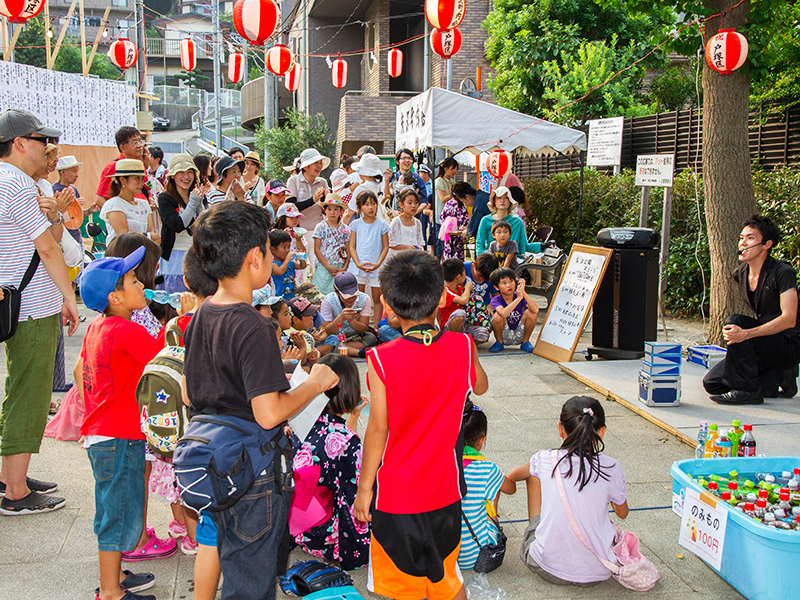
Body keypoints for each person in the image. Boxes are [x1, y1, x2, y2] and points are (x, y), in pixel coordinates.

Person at [183, 200, 339, 600]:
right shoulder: (253, 324)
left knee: (234, 565)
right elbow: (268, 414)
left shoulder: (203, 314)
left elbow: (194, 392)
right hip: (254, 474)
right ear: (255, 258)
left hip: (217, 464)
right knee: (250, 582)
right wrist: (314, 383)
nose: (272, 257)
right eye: (269, 251)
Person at [354, 250, 489, 600]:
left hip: (397, 495)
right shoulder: (462, 346)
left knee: (401, 586)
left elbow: (377, 430)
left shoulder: (380, 359)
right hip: (446, 491)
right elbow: (482, 385)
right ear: (443, 297)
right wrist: (461, 344)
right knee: (446, 577)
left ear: (387, 306)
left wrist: (365, 489)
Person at [0, 109, 78, 515]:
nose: (47, 148)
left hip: (17, 303)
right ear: (19, 143)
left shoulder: (9, 181)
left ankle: (11, 474)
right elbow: (47, 247)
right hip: (32, 307)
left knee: (19, 390)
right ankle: (16, 493)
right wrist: (69, 296)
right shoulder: (16, 186)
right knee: (29, 397)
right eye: (40, 139)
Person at [74, 247, 160, 600]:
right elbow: (166, 357)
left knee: (112, 506)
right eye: (134, 281)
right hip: (119, 436)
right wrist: (188, 317)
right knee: (117, 512)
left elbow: (80, 371)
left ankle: (117, 574)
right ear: (116, 297)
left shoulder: (98, 326)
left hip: (101, 433)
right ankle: (110, 591)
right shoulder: (126, 330)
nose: (141, 285)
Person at [510, 396, 629, 586]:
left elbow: (513, 476)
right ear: (602, 431)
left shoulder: (546, 459)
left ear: (560, 429)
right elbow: (622, 514)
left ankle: (537, 532)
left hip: (546, 566)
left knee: (533, 476)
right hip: (598, 572)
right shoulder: (612, 466)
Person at [703, 215, 800, 404]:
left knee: (735, 322)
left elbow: (789, 319)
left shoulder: (783, 272)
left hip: (789, 344)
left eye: (750, 238)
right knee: (713, 383)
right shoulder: (740, 273)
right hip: (765, 344)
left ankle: (749, 391)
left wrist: (746, 334)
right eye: (741, 238)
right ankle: (778, 377)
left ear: (767, 244)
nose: (743, 243)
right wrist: (748, 336)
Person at [290, 353, 370, 570]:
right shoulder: (347, 440)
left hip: (298, 529)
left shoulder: (298, 422)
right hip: (325, 537)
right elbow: (352, 495)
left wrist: (352, 419)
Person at [458, 400, 516, 571]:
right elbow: (511, 489)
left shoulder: (438, 463)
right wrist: (501, 476)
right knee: (494, 487)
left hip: (442, 554)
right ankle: (493, 520)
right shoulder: (486, 468)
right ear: (481, 440)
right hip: (473, 555)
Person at [157, 154, 207, 293]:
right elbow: (177, 225)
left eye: (189, 172)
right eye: (181, 172)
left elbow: (205, 222)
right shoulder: (165, 198)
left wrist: (198, 202)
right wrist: (193, 202)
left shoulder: (196, 194)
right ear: (172, 175)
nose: (186, 177)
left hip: (196, 252)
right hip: (174, 255)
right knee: (176, 298)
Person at [347, 190, 390, 326]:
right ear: (359, 207)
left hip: (376, 266)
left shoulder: (382, 224)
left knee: (377, 298)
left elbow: (385, 247)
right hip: (357, 266)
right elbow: (352, 246)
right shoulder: (355, 224)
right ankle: (359, 326)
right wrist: (358, 263)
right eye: (366, 204)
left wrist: (377, 264)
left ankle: (376, 327)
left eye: (373, 204)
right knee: (356, 297)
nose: (371, 207)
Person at [99, 160, 160, 245]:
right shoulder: (114, 204)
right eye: (136, 178)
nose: (141, 183)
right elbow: (124, 236)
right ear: (123, 180)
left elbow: (152, 232)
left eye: (142, 178)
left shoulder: (144, 204)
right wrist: (148, 237)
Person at [318, 272, 378, 357]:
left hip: (354, 336)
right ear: (337, 292)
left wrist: (351, 320)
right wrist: (340, 318)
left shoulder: (364, 298)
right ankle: (357, 351)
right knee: (330, 340)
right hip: (335, 336)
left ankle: (337, 348)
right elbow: (327, 330)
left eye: (354, 295)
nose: (351, 299)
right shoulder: (328, 300)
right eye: (347, 297)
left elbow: (363, 328)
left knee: (371, 338)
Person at [287, 148, 331, 256]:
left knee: (318, 269)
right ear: (306, 166)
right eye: (316, 163)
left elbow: (326, 210)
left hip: (318, 231)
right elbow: (290, 207)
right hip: (298, 232)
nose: (319, 166)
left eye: (320, 163)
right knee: (300, 269)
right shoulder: (294, 180)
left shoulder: (323, 182)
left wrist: (325, 200)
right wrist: (313, 200)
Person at [476, 186, 537, 257]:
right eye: (499, 198)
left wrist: (542, 245)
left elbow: (524, 245)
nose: (502, 201)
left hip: (512, 262)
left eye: (506, 197)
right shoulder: (485, 220)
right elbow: (479, 244)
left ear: (510, 201)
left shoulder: (517, 221)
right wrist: (482, 260)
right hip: (490, 262)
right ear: (494, 201)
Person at [489, 267, 538, 353]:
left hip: (519, 332)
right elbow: (503, 313)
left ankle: (525, 341)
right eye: (504, 283)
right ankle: (499, 342)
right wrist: (518, 298)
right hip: (505, 333)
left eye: (511, 281)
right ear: (496, 287)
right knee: (497, 316)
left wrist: (523, 292)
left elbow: (535, 310)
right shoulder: (496, 299)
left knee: (531, 313)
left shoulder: (519, 296)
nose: (509, 285)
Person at [95, 126, 145, 209]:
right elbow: (100, 199)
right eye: (134, 143)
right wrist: (116, 215)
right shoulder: (114, 166)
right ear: (123, 148)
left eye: (140, 141)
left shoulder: (139, 166)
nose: (140, 146)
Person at [441, 258, 489, 344]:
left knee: (483, 333)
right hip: (448, 327)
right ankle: (450, 341)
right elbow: (463, 300)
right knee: (460, 313)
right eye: (464, 273)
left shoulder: (460, 289)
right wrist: (467, 288)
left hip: (463, 325)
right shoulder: (445, 291)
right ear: (458, 277)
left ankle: (463, 343)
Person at [312, 193, 351, 295]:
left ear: (341, 211)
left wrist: (344, 267)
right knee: (322, 295)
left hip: (340, 265)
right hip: (323, 265)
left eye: (336, 209)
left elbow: (348, 249)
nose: (332, 212)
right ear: (325, 210)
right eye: (329, 209)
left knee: (339, 295)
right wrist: (327, 266)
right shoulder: (320, 227)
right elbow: (316, 250)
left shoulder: (345, 229)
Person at [53, 155, 89, 247]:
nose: (77, 174)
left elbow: (78, 215)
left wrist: (90, 210)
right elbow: (55, 214)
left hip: (76, 237)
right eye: (74, 171)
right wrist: (73, 204)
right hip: (63, 238)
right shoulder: (54, 190)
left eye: (77, 171)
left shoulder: (73, 189)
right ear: (63, 172)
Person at [383, 148, 428, 213]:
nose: (407, 161)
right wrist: (393, 212)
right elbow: (386, 197)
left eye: (409, 158)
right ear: (397, 161)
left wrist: (414, 213)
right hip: (395, 216)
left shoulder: (417, 178)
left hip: (412, 219)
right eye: (404, 158)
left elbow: (424, 201)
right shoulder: (392, 177)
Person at [271, 229, 306, 299]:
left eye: (288, 247)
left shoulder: (290, 262)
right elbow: (279, 272)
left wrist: (301, 259)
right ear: (273, 250)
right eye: (284, 247)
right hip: (282, 298)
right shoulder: (274, 264)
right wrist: (286, 261)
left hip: (294, 296)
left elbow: (303, 266)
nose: (287, 250)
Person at [388, 188, 424, 255]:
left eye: (416, 203)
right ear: (401, 204)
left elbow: (420, 242)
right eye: (409, 203)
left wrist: (420, 248)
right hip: (398, 258)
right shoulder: (396, 222)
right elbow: (390, 243)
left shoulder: (417, 222)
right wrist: (406, 247)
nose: (413, 206)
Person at [440, 184, 470, 261]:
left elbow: (442, 217)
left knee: (448, 250)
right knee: (458, 251)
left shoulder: (448, 203)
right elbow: (465, 218)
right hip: (458, 232)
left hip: (448, 231)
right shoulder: (461, 205)